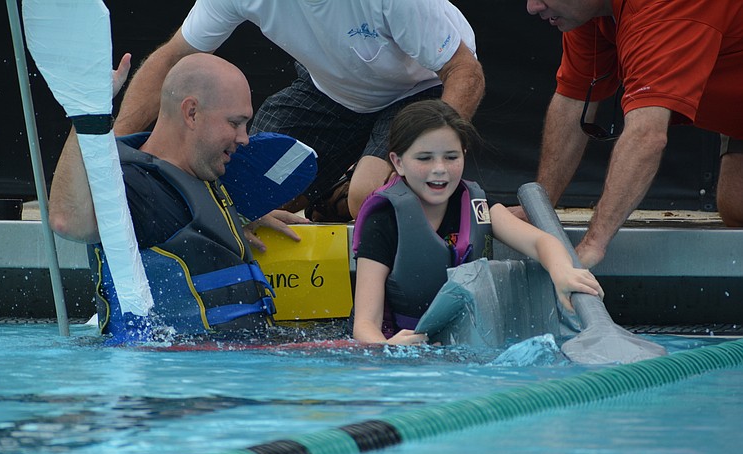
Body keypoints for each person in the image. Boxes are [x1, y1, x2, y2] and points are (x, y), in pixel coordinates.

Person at [112, 0, 486, 222]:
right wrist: (113, 154)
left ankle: (353, 192)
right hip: (331, 91)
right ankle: (332, 193)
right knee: (247, 200)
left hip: (419, 88)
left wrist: (433, 155)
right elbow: (171, 60)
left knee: (371, 199)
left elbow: (465, 71)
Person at [49, 53, 304, 340]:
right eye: (235, 123)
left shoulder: (202, 176)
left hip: (233, 354)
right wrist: (87, 114)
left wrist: (237, 219)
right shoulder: (136, 185)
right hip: (183, 363)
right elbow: (66, 221)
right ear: (191, 113)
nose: (244, 138)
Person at [351, 100, 603, 345]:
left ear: (464, 155)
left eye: (451, 157)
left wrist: (562, 271)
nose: (439, 168)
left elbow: (541, 242)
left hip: (467, 340)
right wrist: (390, 347)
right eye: (424, 158)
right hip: (403, 344)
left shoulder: (477, 206)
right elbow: (364, 325)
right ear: (398, 162)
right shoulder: (383, 221)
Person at [524, 0, 743, 268]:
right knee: (737, 205)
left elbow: (647, 134)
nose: (532, 7)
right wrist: (540, 208)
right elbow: (573, 99)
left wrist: (593, 246)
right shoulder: (586, 12)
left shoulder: (664, 8)